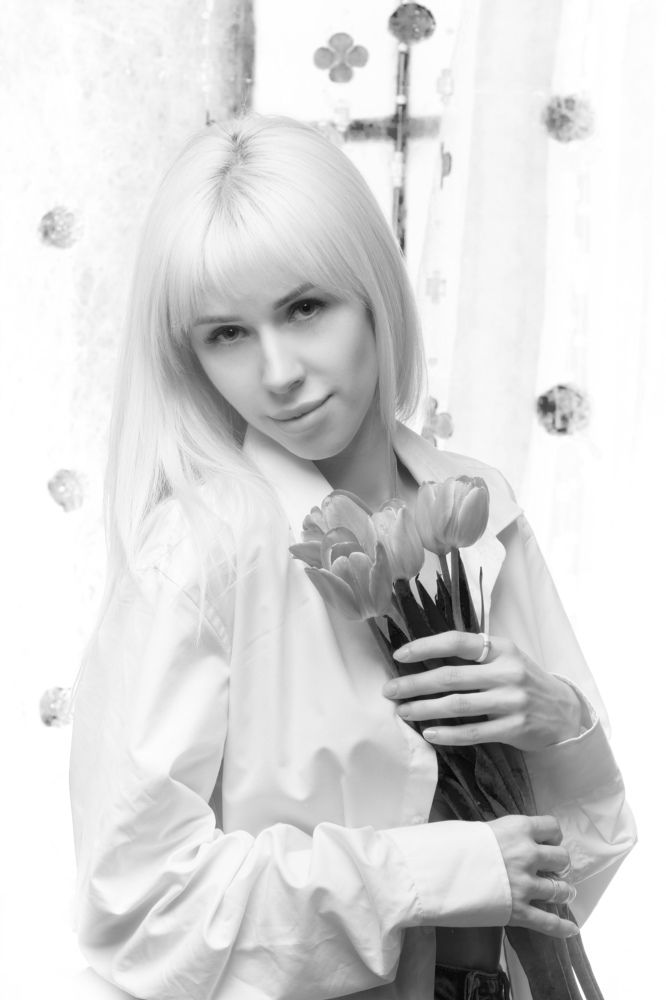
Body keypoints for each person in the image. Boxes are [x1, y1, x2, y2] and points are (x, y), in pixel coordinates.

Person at [69, 114, 636, 1000]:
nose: (279, 373)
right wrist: (442, 869)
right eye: (226, 334)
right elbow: (142, 911)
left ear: (372, 288)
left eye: (304, 308)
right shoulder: (203, 548)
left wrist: (565, 724)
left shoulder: (476, 507)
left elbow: (572, 867)